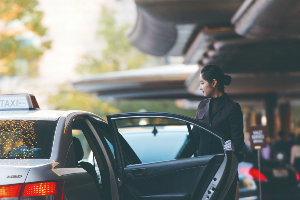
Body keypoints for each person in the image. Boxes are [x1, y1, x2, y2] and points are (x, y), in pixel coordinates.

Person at [195, 64, 245, 200]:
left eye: (202, 83)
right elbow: (194, 138)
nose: (200, 87)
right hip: (203, 167)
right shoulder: (202, 105)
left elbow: (239, 140)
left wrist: (232, 146)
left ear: (214, 83)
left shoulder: (232, 107)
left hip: (224, 168)